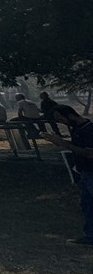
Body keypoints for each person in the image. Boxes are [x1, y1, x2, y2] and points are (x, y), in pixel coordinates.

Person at [39, 105, 93, 245]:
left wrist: (62, 143)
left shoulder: (89, 130)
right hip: (84, 171)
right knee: (86, 205)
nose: (60, 122)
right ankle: (90, 236)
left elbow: (89, 153)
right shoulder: (77, 129)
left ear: (70, 115)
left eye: (60, 118)